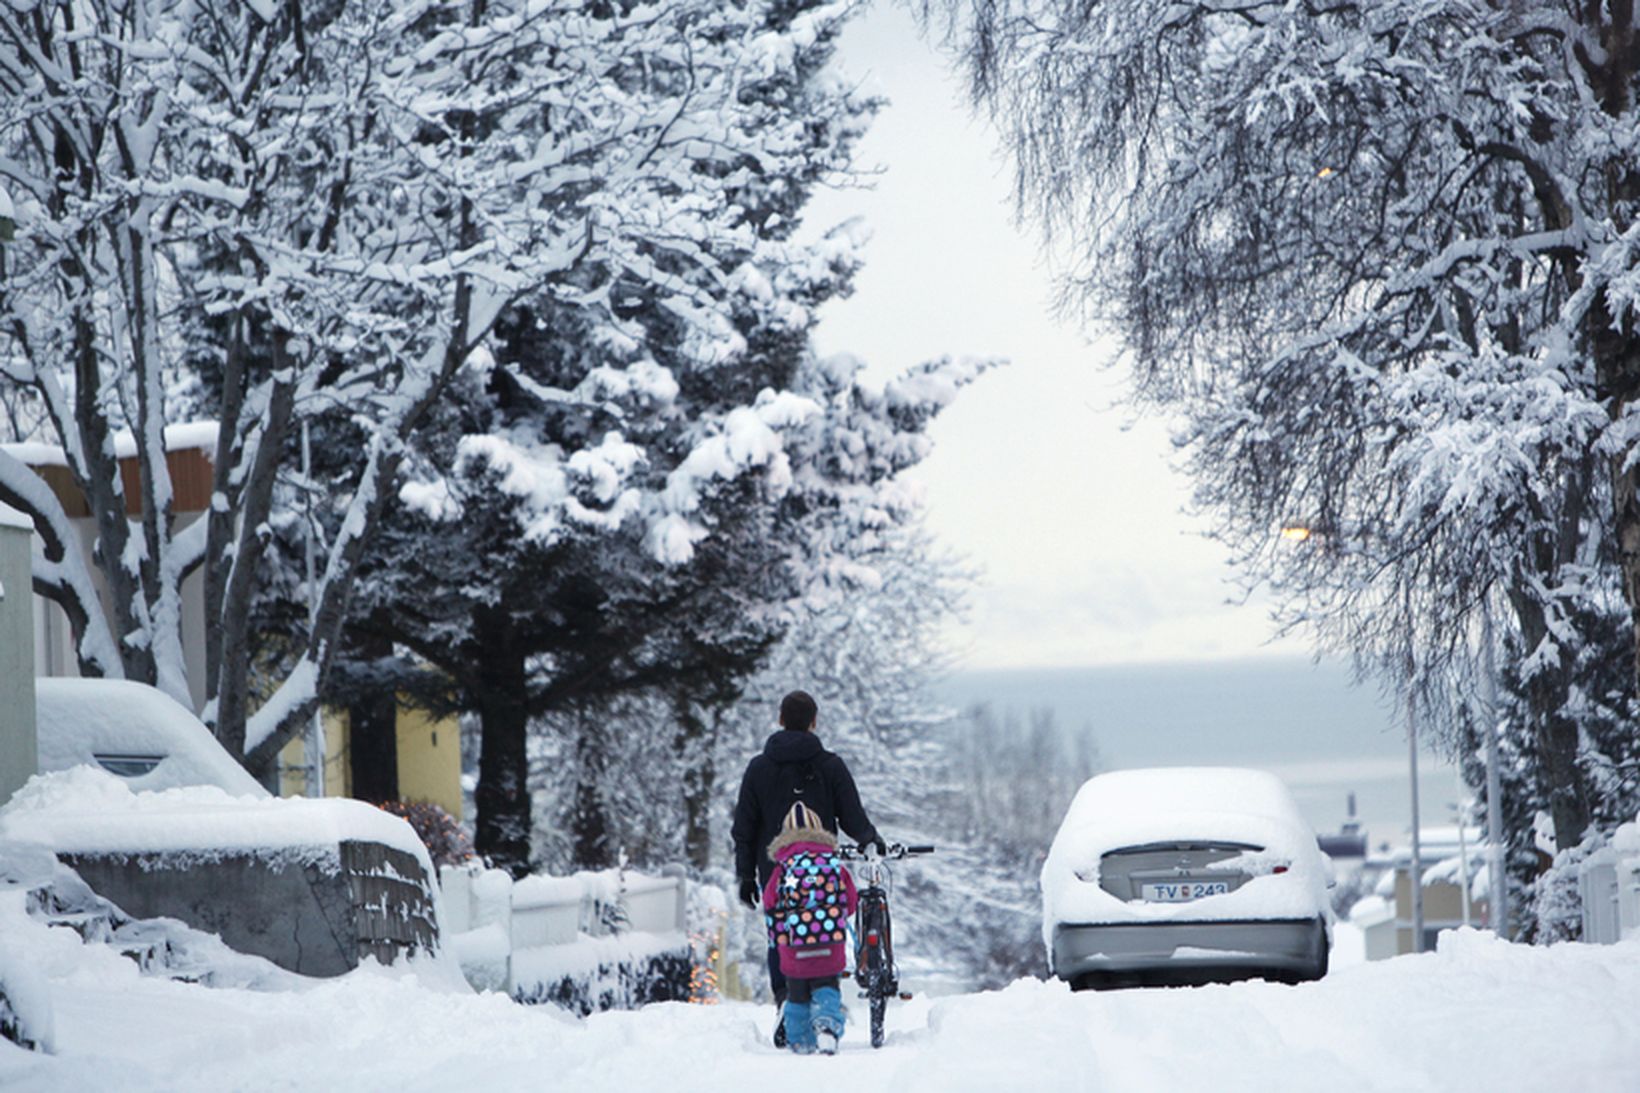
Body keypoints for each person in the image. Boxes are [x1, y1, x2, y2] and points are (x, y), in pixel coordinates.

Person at [731, 689, 884, 1045]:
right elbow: (853, 817)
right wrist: (871, 841)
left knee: (780, 938)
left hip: (775, 875)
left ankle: (787, 999)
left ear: (781, 720)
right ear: (814, 723)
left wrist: (745, 875)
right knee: (826, 929)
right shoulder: (830, 765)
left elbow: (744, 828)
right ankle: (825, 1002)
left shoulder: (758, 768)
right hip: (821, 875)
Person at [761, 802, 857, 1054]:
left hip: (794, 946)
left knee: (797, 994)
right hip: (830, 944)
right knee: (827, 987)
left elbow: (770, 902)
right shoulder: (833, 866)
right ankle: (827, 1027)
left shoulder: (783, 869)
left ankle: (800, 1039)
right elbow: (851, 900)